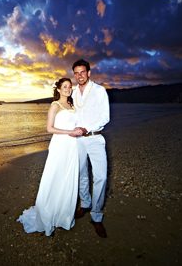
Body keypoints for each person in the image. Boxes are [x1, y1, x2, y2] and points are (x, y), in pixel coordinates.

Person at [17, 78, 84, 236]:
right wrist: (70, 132)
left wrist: (79, 129)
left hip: (72, 147)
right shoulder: (55, 105)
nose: (68, 89)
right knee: (55, 177)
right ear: (59, 89)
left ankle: (63, 215)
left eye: (69, 86)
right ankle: (48, 213)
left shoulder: (73, 105)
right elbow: (49, 128)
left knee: (68, 178)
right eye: (64, 87)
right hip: (60, 145)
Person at [72, 59, 110, 238]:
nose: (79, 75)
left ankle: (96, 215)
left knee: (101, 177)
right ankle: (85, 204)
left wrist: (88, 128)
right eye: (76, 73)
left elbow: (105, 117)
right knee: (81, 174)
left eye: (82, 72)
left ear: (89, 73)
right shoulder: (72, 92)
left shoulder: (99, 91)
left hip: (95, 138)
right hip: (77, 140)